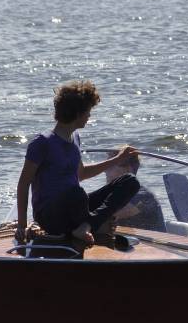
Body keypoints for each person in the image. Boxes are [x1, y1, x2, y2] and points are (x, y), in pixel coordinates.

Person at [15, 80, 140, 245]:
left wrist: (117, 160)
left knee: (130, 181)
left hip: (76, 206)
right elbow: (23, 185)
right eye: (88, 111)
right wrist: (22, 226)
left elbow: (81, 174)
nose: (89, 116)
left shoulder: (75, 138)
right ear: (77, 113)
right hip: (51, 214)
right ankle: (93, 224)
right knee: (77, 194)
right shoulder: (42, 142)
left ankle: (88, 225)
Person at [103, 146, 166, 232]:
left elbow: (110, 213)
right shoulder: (112, 193)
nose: (105, 170)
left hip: (153, 243)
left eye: (110, 166)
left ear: (127, 169)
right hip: (128, 241)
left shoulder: (143, 196)